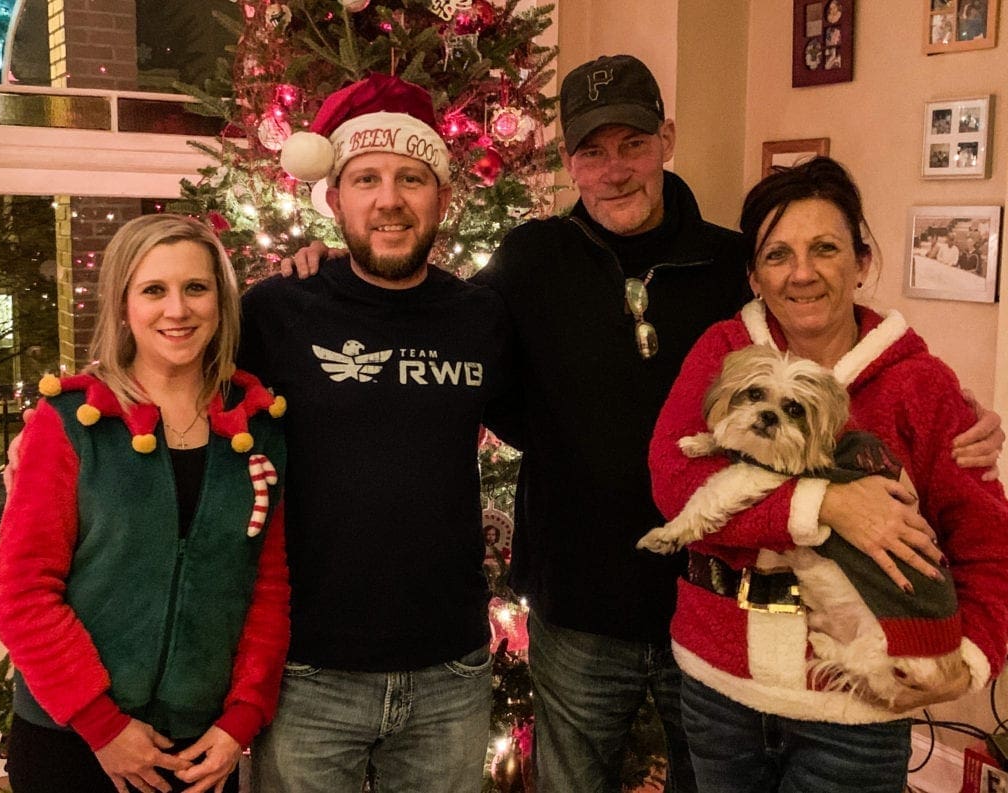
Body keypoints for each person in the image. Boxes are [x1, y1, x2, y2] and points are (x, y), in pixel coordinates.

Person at [283, 55, 1004, 793]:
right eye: (592, 152)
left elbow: (845, 349)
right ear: (570, 164)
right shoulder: (531, 259)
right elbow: (433, 323)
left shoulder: (736, 264)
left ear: (667, 138)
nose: (614, 169)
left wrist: (963, 416)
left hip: (710, 603)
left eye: (633, 144)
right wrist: (336, 270)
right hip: (578, 605)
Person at [647, 157, 1008, 793]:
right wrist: (825, 505)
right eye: (778, 255)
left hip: (856, 709)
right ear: (755, 274)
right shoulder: (723, 351)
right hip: (717, 688)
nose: (803, 273)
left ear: (862, 262)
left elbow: (989, 541)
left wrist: (973, 655)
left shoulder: (920, 385)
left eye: (825, 249)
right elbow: (674, 480)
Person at [244, 73, 513, 792]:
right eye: (365, 178)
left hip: (450, 672)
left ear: (444, 198)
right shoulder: (275, 312)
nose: (388, 199)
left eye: (411, 178)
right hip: (309, 671)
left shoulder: (479, 316)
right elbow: (173, 385)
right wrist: (70, 433)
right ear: (333, 197)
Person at [0, 214, 290, 793]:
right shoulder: (71, 425)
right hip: (72, 740)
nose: (177, 310)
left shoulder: (258, 430)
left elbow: (267, 590)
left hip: (201, 749)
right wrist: (102, 726)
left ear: (222, 302)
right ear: (123, 304)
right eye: (154, 290)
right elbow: (23, 593)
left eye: (195, 288)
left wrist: (240, 720)